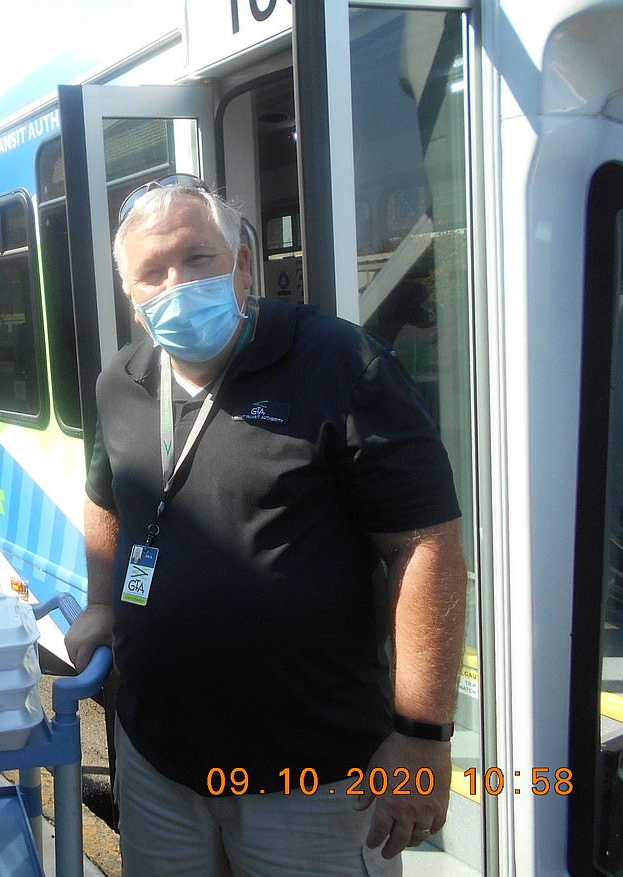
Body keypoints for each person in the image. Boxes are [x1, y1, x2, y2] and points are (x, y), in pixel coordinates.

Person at [64, 179, 468, 876]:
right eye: (152, 272)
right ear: (131, 296)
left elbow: (423, 544)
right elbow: (105, 498)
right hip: (159, 761)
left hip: (312, 778)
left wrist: (422, 732)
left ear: (244, 265)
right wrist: (102, 604)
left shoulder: (339, 364)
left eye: (198, 258)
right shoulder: (121, 384)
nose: (178, 283)